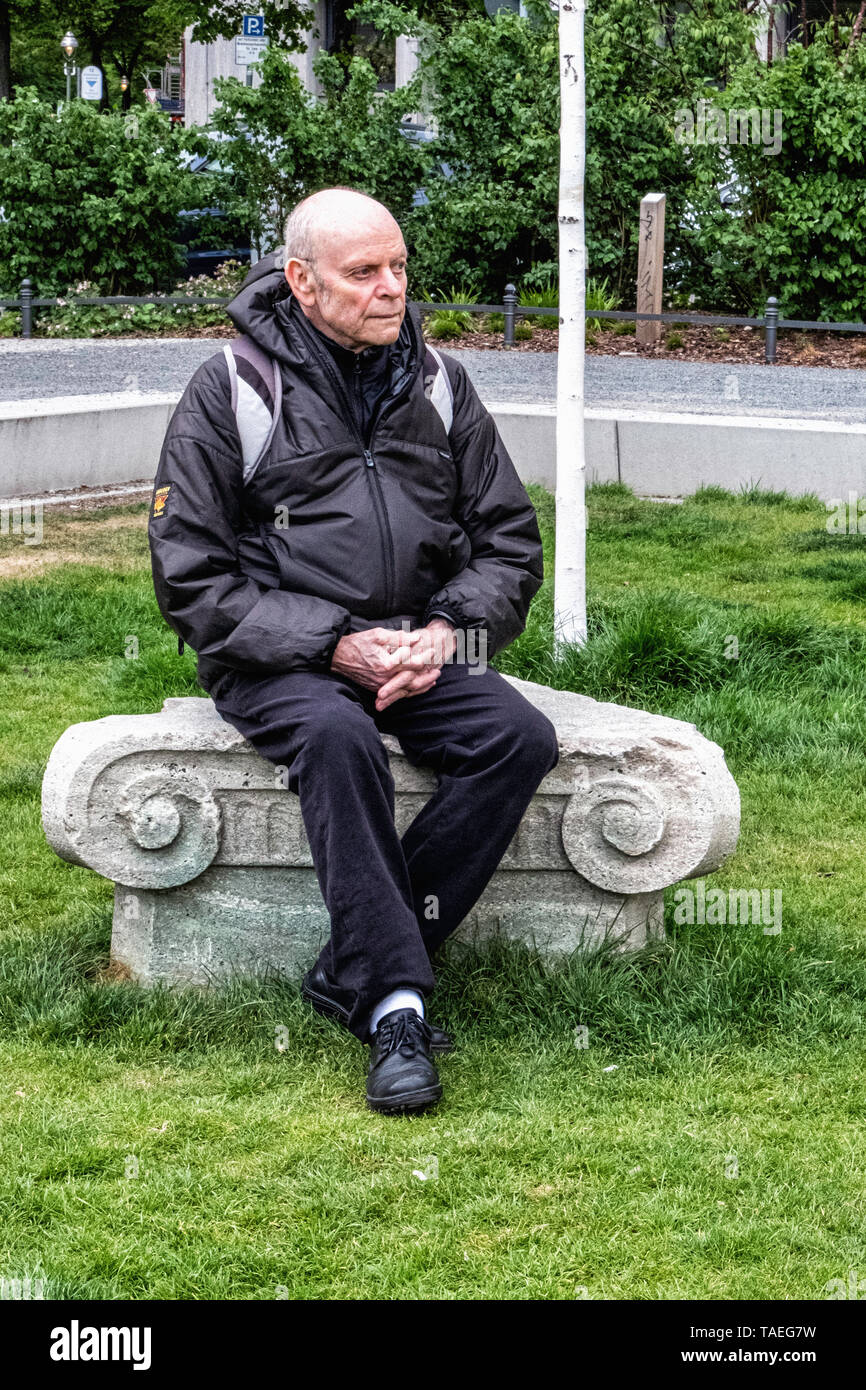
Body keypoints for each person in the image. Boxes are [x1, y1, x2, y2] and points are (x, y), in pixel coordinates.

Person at [148, 187, 559, 1114]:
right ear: (301, 280)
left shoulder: (440, 381)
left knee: (517, 737)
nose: (392, 291)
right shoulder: (233, 390)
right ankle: (394, 1006)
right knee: (338, 740)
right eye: (364, 273)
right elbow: (190, 578)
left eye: (400, 268)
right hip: (278, 660)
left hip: (419, 644)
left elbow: (508, 543)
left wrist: (449, 632)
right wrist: (334, 645)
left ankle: (353, 962)